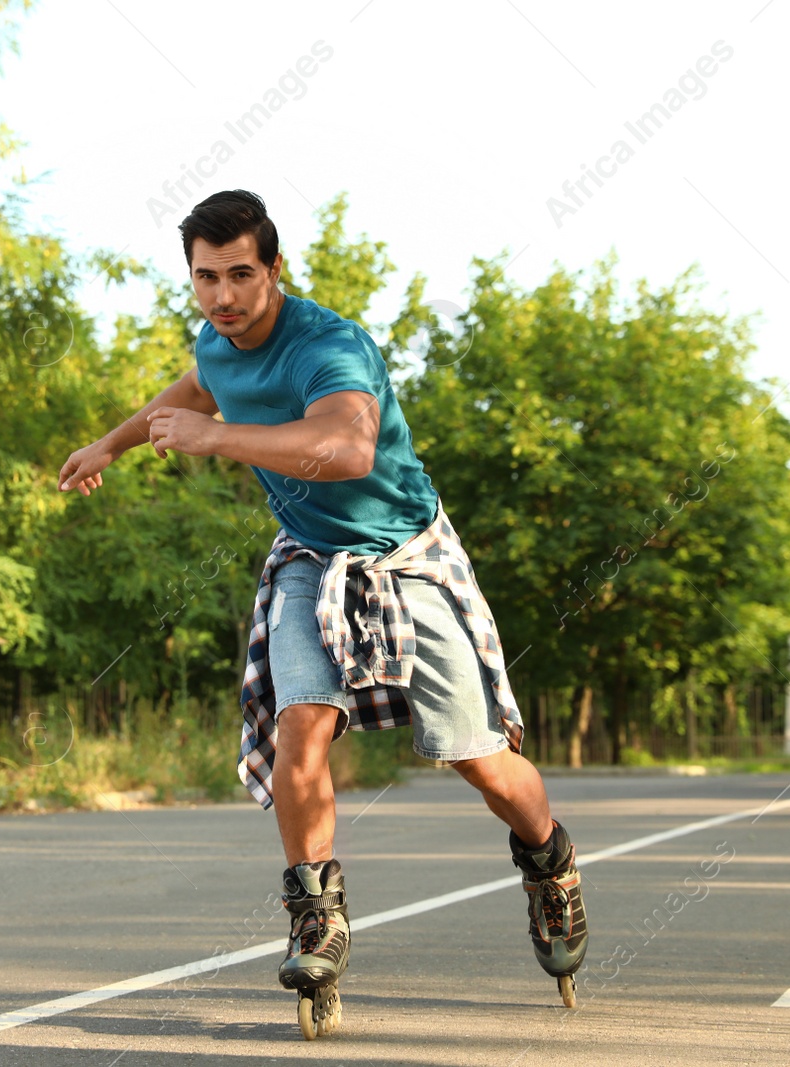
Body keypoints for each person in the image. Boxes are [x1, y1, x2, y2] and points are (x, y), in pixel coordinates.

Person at [57, 189, 588, 1034]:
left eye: (241, 274)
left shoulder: (328, 345)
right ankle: (317, 918)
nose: (224, 297)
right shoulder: (217, 339)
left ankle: (550, 860)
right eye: (206, 278)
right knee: (298, 723)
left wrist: (219, 439)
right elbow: (198, 385)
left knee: (475, 756)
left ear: (274, 268)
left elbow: (347, 448)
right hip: (309, 555)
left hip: (407, 557)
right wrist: (111, 445)